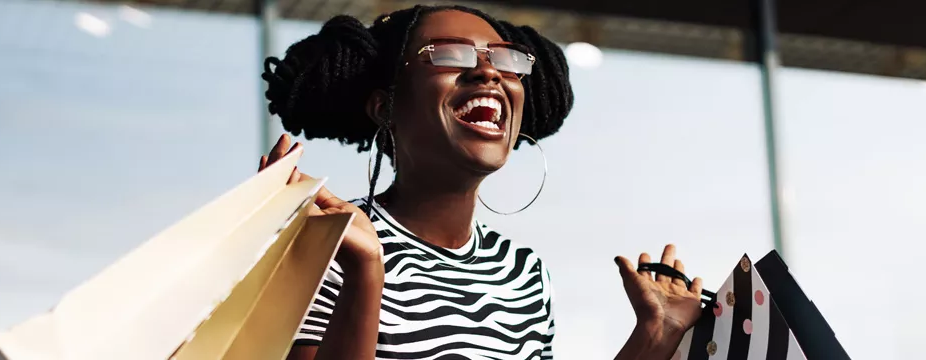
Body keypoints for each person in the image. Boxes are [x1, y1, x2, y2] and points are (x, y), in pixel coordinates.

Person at [258, 5, 706, 360]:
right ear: (385, 108)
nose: (488, 72)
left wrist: (654, 335)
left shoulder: (523, 272)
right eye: (450, 55)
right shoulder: (327, 243)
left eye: (506, 61)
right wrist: (365, 270)